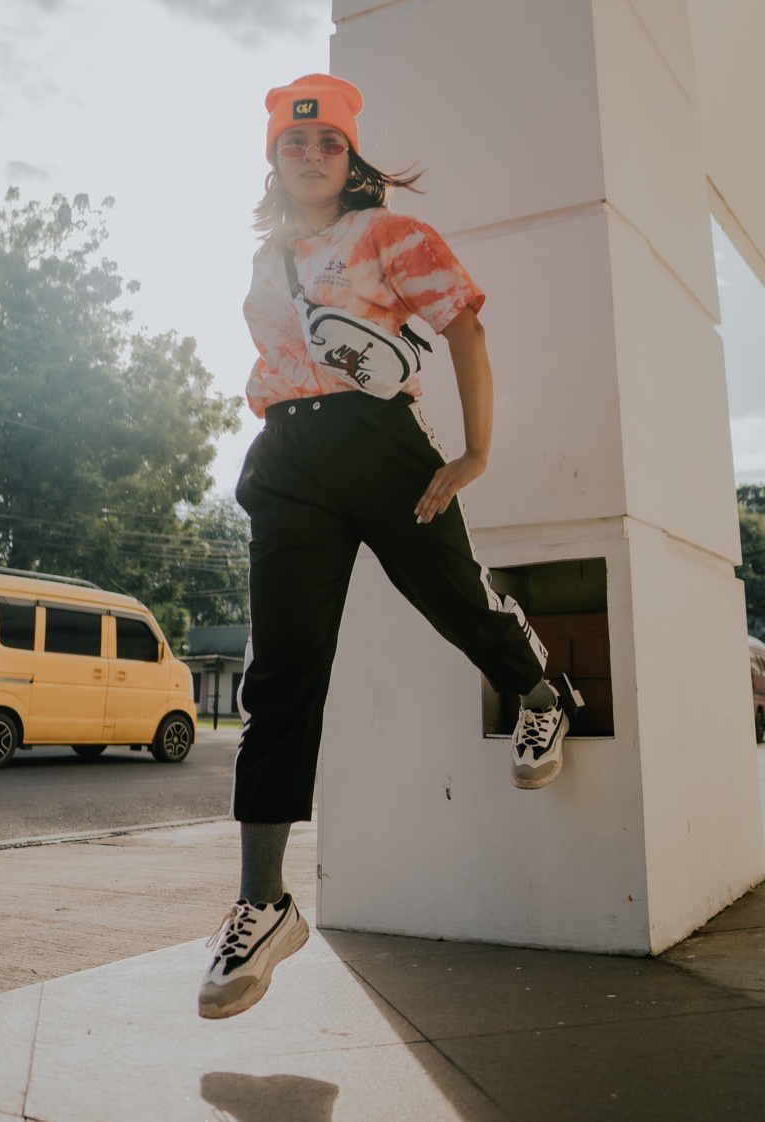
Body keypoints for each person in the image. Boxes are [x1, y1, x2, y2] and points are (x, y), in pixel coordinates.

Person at [198, 73, 569, 1020]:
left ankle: (538, 691)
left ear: (352, 159)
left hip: (379, 444)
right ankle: (263, 901)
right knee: (278, 673)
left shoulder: (391, 237)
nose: (312, 156)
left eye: (329, 145)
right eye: (295, 143)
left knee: (453, 598)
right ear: (274, 159)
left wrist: (478, 451)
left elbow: (466, 327)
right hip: (288, 456)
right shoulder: (266, 256)